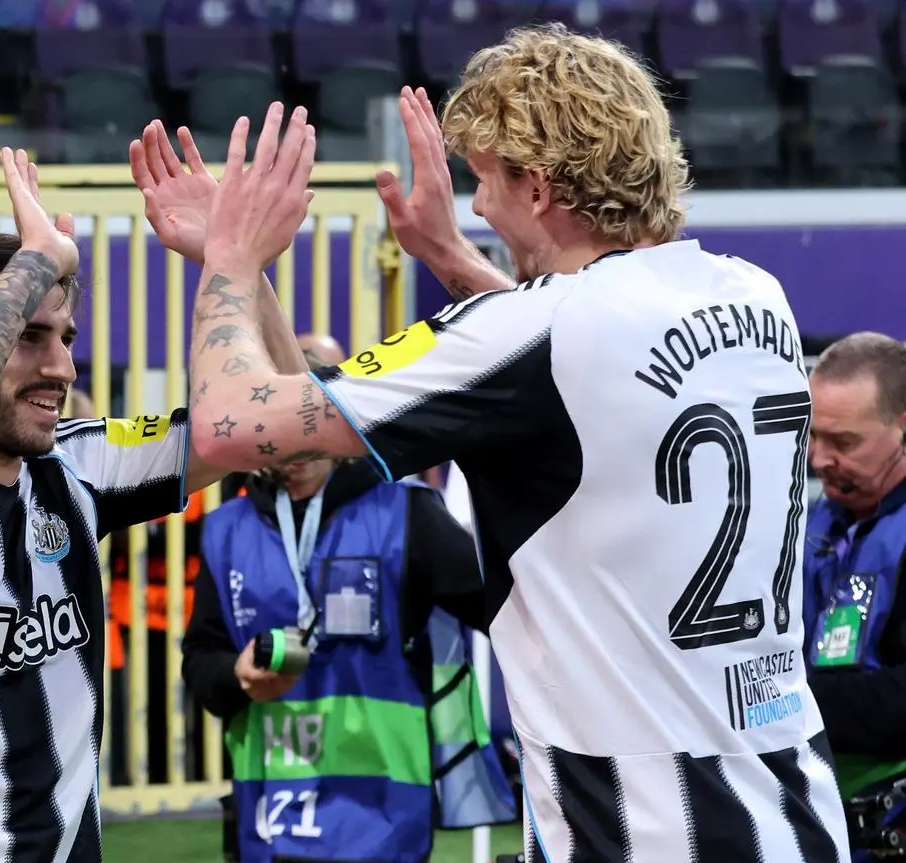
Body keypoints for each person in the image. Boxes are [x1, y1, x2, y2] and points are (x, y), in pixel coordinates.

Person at [181, 24, 850, 863]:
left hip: (633, 823)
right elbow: (584, 375)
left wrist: (228, 260)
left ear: (536, 187)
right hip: (792, 806)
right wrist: (450, 255)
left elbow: (229, 421)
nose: (479, 202)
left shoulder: (528, 332)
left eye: (484, 179)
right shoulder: (756, 294)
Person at [0, 148, 305, 862]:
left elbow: (292, 431)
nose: (63, 367)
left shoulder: (80, 465)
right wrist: (36, 259)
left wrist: (233, 261)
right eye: (29, 338)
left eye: (65, 338)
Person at [181, 337, 514, 863]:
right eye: (270, 432)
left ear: (333, 420)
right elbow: (201, 660)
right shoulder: (226, 530)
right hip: (268, 815)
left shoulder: (407, 515)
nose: (288, 450)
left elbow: (510, 614)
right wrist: (236, 676)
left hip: (382, 818)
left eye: (302, 428)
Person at [802, 332, 906, 853]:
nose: (819, 460)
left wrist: (780, 700)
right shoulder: (815, 525)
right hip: (812, 811)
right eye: (813, 436)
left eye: (844, 443)